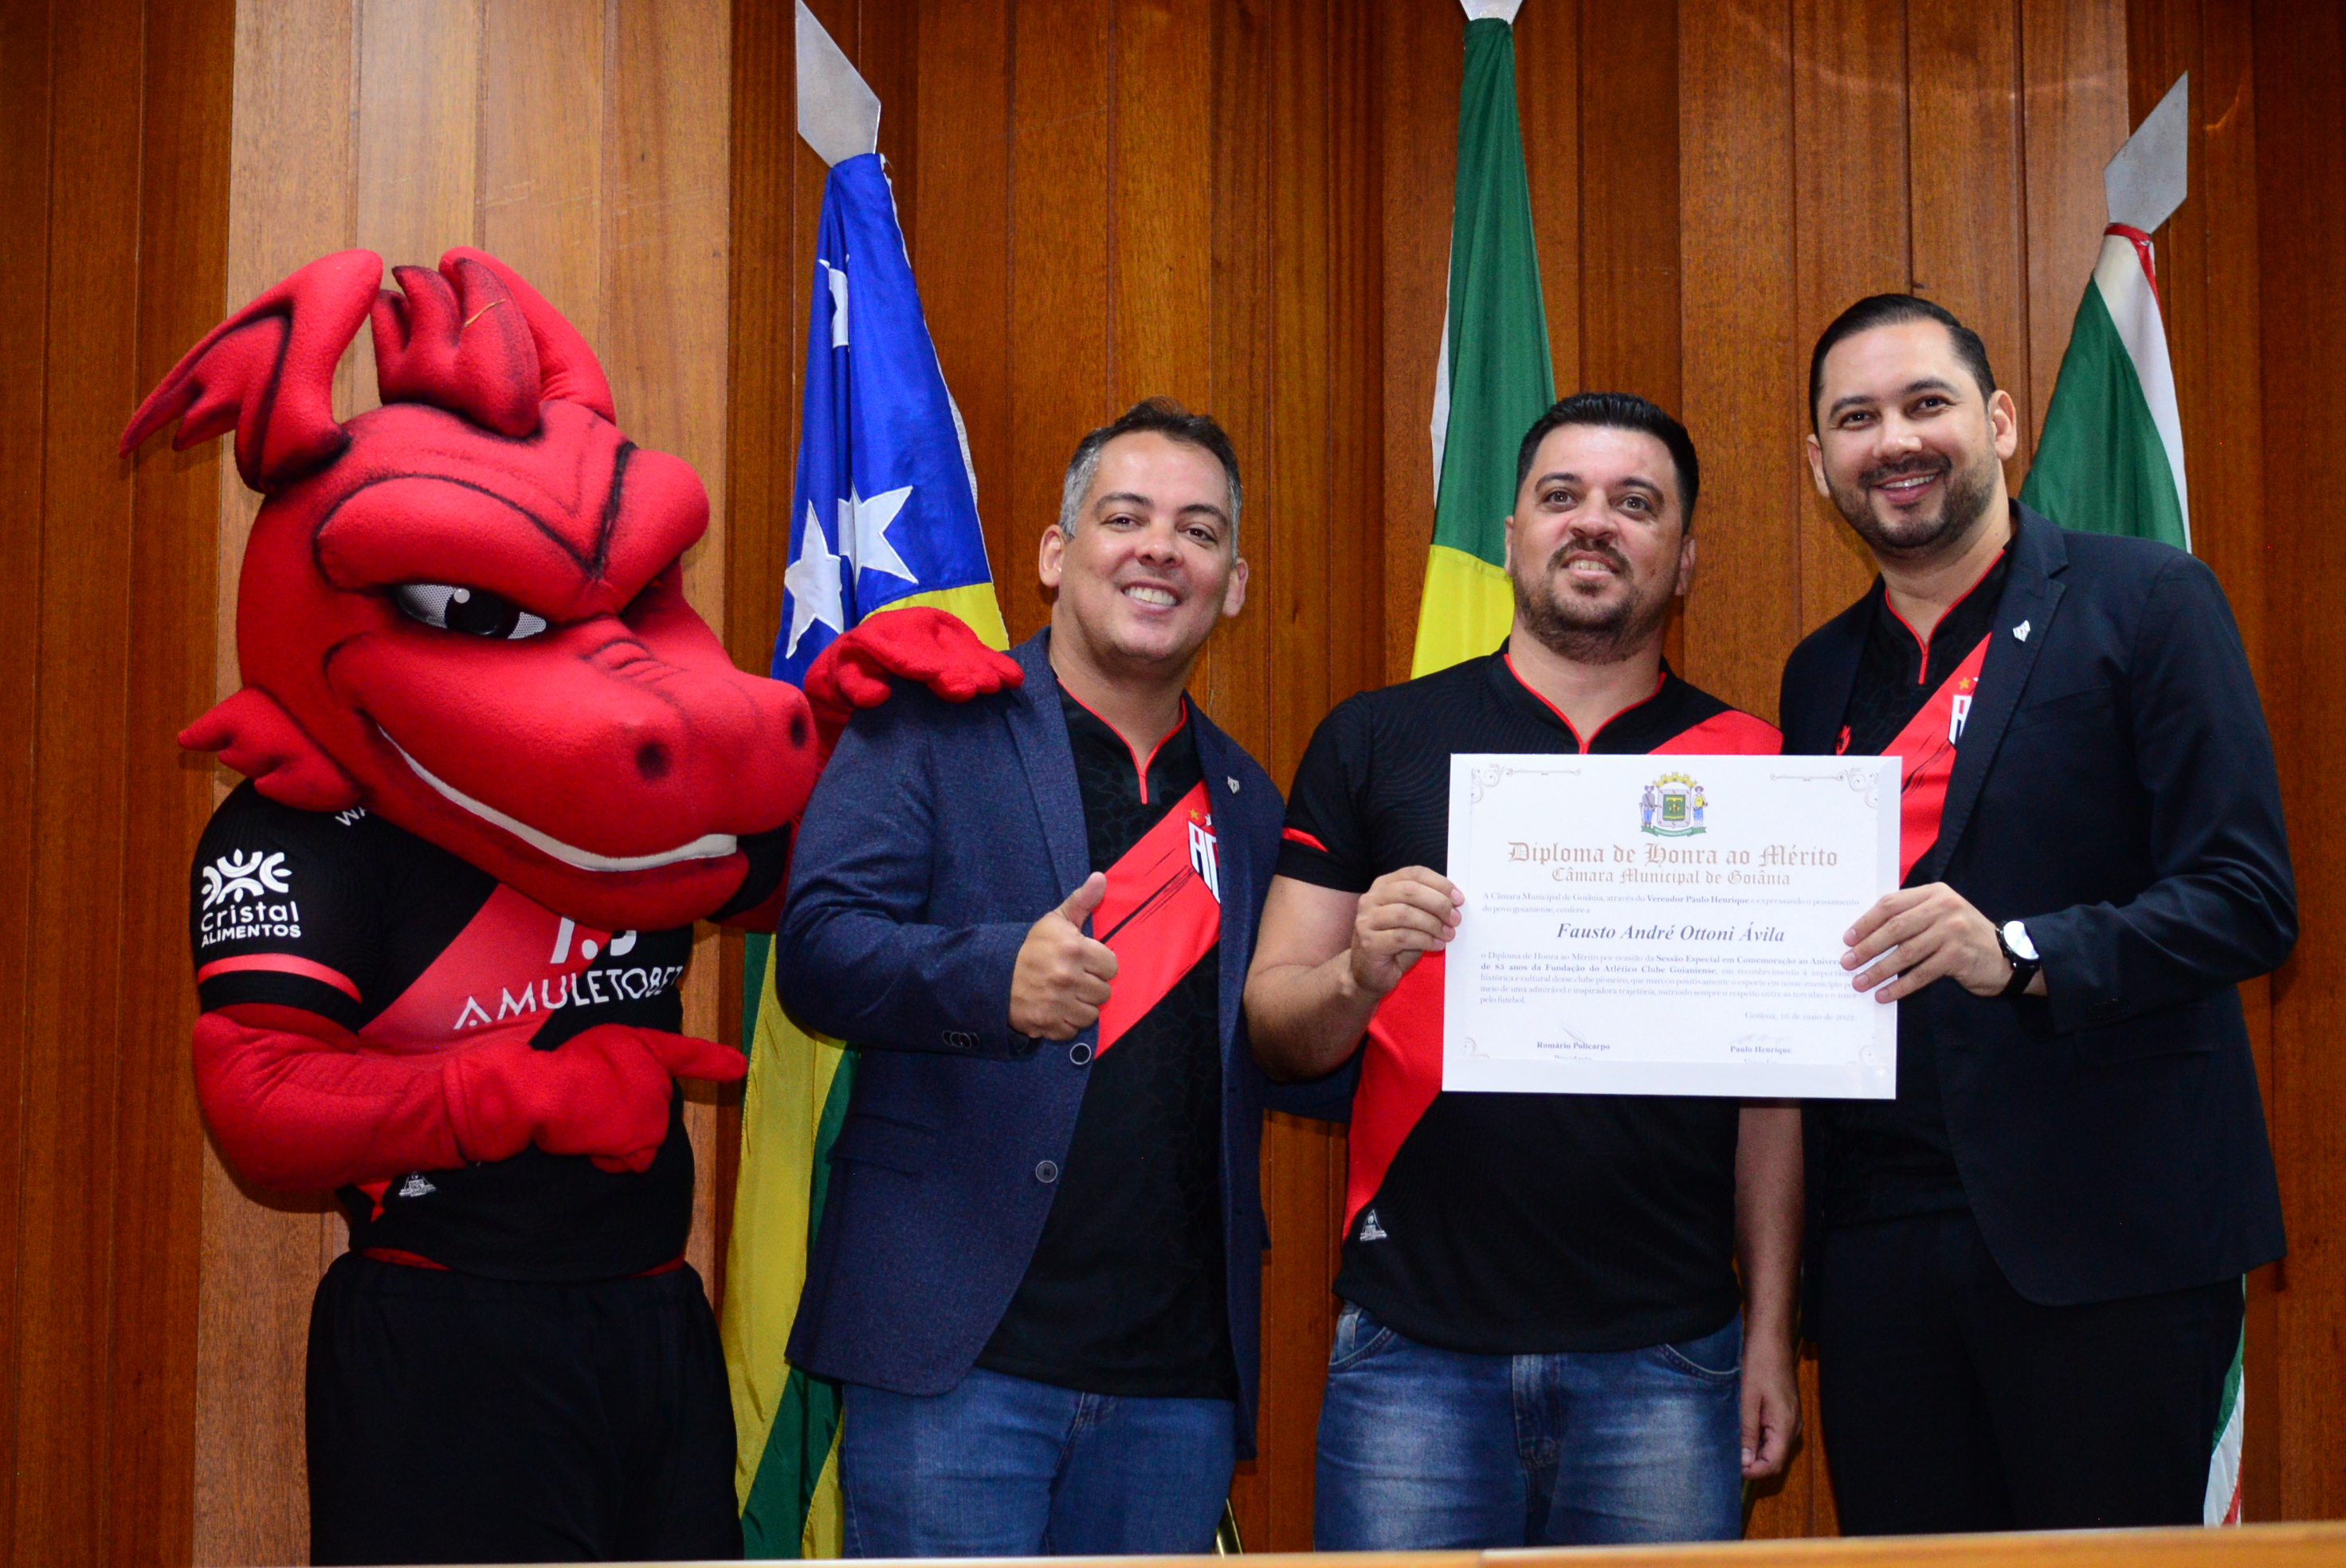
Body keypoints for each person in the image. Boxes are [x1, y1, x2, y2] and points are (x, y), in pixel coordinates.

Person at [1245, 392, 1801, 1549]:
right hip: (1412, 1350)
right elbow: (1273, 1026)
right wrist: (1356, 975)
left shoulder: (1756, 766)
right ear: (1512, 536)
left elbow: (1775, 1092)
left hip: (1670, 1355)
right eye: (1562, 496)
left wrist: (1768, 1334)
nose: (1595, 522)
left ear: (1685, 558)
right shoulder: (1376, 739)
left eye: (1635, 503)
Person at [1783, 294, 2295, 1533]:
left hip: (2108, 1238)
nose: (1895, 441)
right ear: (1818, 463)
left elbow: (2247, 898)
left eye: (1927, 404)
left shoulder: (2149, 600)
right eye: (1857, 419)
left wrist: (2018, 953)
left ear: (2001, 421)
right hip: (1878, 1250)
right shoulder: (1817, 673)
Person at [775, 398, 1284, 1556]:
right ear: (1058, 554)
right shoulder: (930, 725)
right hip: (955, 1362)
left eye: (1199, 531)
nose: (1162, 549)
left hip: (1175, 1385)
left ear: (1234, 586)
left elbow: (1275, 1048)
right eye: (1126, 518)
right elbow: (817, 951)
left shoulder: (1251, 804)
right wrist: (988, 975)